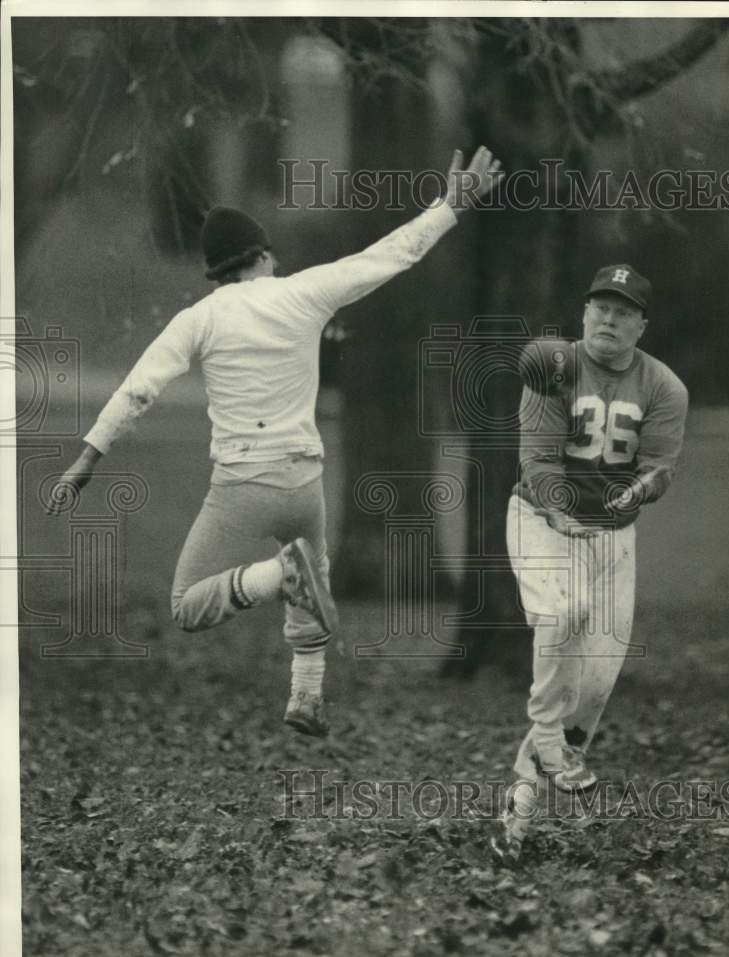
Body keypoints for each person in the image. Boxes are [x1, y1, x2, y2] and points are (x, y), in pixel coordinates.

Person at [50, 146, 504, 738]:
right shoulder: (305, 293)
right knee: (312, 583)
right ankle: (307, 697)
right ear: (262, 255)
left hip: (241, 484)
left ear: (216, 270)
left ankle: (275, 576)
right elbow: (393, 254)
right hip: (303, 483)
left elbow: (139, 390)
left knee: (187, 605)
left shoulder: (199, 318)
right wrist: (452, 204)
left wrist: (89, 457)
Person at [491, 264, 689, 863]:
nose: (609, 318)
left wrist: (641, 490)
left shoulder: (664, 387)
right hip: (540, 519)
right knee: (563, 612)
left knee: (592, 693)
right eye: (601, 306)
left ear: (642, 324)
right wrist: (561, 514)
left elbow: (658, 465)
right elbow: (538, 460)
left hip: (612, 537)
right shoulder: (554, 366)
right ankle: (545, 740)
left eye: (624, 311)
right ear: (583, 313)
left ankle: (516, 818)